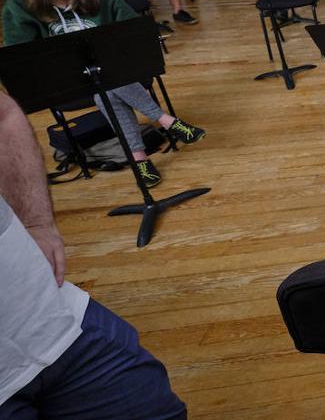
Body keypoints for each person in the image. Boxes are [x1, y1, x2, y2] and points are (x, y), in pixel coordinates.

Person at [0, 90, 187, 419]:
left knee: (111, 88)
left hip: (52, 315)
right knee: (108, 92)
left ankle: (149, 144)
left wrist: (36, 220)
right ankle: (161, 128)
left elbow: (4, 116)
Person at [2, 0, 206, 188]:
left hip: (112, 74)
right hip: (64, 81)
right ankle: (167, 121)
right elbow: (21, 56)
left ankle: (139, 159)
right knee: (107, 82)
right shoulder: (19, 6)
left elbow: (133, 32)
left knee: (106, 88)